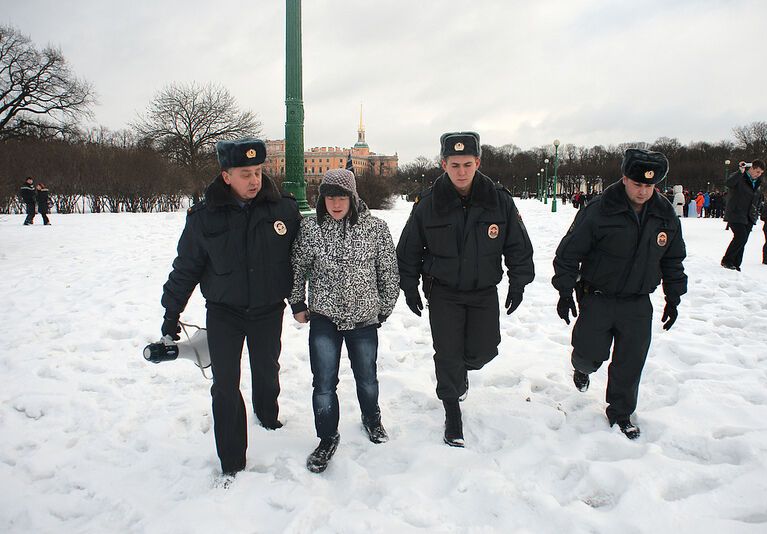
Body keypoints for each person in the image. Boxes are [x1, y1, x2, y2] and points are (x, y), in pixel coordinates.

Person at [159, 138, 301, 479]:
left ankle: (267, 417)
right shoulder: (204, 218)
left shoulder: (283, 209)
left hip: (268, 310)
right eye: (244, 174)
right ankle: (232, 460)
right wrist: (171, 313)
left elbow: (303, 258)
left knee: (267, 370)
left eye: (257, 171)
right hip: (225, 312)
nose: (253, 180)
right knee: (225, 384)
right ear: (226, 176)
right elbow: (186, 268)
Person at [396, 131, 535, 448]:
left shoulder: (498, 200)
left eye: (467, 164)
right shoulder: (428, 204)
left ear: (478, 163)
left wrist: (518, 281)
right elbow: (408, 250)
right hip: (443, 291)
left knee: (484, 350)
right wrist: (410, 286)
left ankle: (463, 371)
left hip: (483, 290)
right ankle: (452, 411)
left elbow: (517, 245)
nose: (461, 171)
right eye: (455, 164)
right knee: (447, 355)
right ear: (443, 164)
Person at [552, 148, 687, 440]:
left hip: (637, 302)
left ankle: (621, 412)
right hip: (598, 296)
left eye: (649, 186)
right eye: (638, 184)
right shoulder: (599, 209)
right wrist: (564, 291)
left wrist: (673, 298)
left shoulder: (665, 216)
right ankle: (582, 368)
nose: (643, 191)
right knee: (590, 354)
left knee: (630, 360)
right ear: (625, 178)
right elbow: (568, 252)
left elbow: (673, 260)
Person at [290, 169, 399, 473]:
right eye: (329, 197)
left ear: (352, 198)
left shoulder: (375, 228)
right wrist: (298, 303)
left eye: (341, 197)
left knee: (367, 377)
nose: (335, 204)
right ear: (321, 199)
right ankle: (326, 437)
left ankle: (372, 418)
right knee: (324, 383)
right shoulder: (311, 229)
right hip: (324, 318)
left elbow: (388, 271)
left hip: (364, 318)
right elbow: (298, 267)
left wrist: (384, 307)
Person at [721, 160, 765, 271]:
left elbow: (758, 199)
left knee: (743, 240)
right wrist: (740, 172)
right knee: (741, 237)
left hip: (749, 216)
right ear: (751, 168)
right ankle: (727, 260)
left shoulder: (758, 183)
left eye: (761, 173)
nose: (758, 174)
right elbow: (729, 183)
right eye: (757, 171)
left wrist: (756, 210)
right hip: (735, 213)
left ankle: (736, 263)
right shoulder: (740, 177)